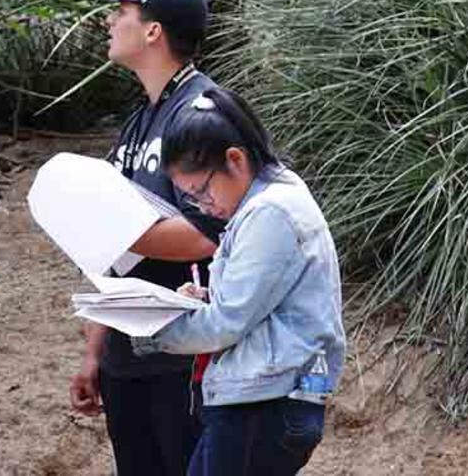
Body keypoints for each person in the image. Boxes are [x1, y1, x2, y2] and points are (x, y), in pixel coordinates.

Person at [143, 88, 347, 476]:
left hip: (266, 402)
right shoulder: (273, 197)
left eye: (201, 191)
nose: (204, 207)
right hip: (271, 397)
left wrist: (153, 331)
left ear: (235, 160)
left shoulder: (269, 211)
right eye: (191, 200)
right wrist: (201, 299)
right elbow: (257, 303)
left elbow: (227, 321)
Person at [71, 0, 223, 476]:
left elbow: (210, 235)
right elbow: (111, 255)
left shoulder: (202, 114)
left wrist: (117, 232)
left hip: (186, 358)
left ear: (153, 31)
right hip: (126, 358)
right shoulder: (140, 119)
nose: (111, 21)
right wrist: (96, 352)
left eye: (123, 11)